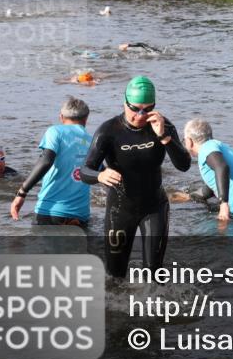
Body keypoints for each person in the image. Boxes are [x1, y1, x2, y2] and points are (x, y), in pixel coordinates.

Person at [78, 76, 190, 278]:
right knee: (115, 275)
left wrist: (164, 137)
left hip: (155, 207)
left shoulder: (163, 126)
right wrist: (100, 175)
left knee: (154, 273)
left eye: (148, 109)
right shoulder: (108, 131)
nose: (141, 115)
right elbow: (85, 171)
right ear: (125, 102)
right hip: (120, 210)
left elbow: (184, 165)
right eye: (135, 109)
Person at [10, 97, 93, 227]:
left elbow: (46, 161)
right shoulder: (92, 141)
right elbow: (99, 174)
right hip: (81, 216)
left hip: (50, 212)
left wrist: (22, 193)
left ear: (61, 117)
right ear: (86, 118)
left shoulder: (55, 131)